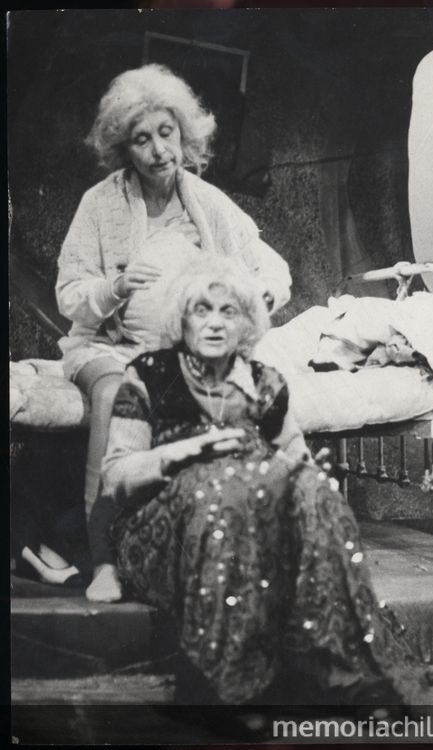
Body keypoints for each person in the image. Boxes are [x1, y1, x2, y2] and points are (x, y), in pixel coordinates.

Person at [101, 256, 410, 708]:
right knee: (219, 491)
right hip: (165, 531)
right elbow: (115, 476)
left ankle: (347, 674)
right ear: (181, 318)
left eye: (228, 311)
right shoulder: (148, 373)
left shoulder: (265, 383)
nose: (214, 323)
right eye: (201, 310)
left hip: (254, 519)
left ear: (246, 322)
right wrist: (181, 453)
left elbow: (296, 458)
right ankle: (224, 686)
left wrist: (300, 475)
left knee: (317, 494)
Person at [55, 64, 291, 602]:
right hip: (108, 346)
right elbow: (69, 292)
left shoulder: (206, 202)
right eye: (142, 139)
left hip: (178, 353)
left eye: (167, 133)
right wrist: (115, 286)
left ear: (184, 134)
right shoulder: (100, 204)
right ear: (124, 149)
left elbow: (272, 269)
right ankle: (104, 560)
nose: (159, 150)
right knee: (115, 393)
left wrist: (254, 300)